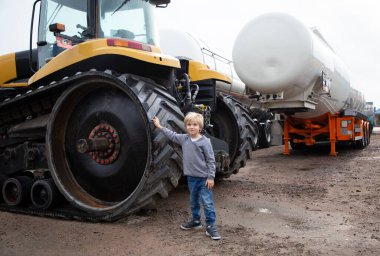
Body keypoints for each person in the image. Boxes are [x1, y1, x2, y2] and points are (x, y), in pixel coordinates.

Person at [152, 112, 221, 240]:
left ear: (200, 127)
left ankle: (211, 226)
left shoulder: (205, 142)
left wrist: (211, 177)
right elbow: (171, 135)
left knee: (207, 203)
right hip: (192, 178)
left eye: (194, 125)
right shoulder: (184, 138)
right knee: (193, 201)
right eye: (189, 124)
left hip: (204, 179)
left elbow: (211, 161)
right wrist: (159, 126)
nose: (191, 127)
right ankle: (196, 221)